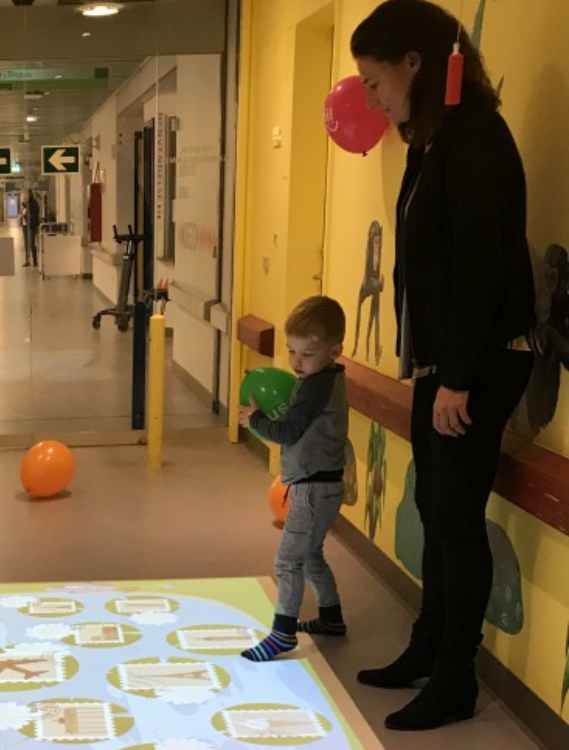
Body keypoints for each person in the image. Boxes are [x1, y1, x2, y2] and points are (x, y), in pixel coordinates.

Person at [352, 0, 534, 731]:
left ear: (413, 64)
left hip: (480, 363)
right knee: (435, 506)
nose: (370, 95)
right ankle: (428, 645)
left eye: (373, 79)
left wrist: (456, 376)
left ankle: (457, 673)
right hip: (444, 361)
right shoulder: (431, 141)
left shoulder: (477, 139)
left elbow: (481, 270)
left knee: (455, 519)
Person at [238, 296, 350, 663]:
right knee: (312, 555)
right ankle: (331, 618)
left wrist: (254, 420)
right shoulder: (326, 379)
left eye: (308, 354)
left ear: (335, 351)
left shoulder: (316, 386)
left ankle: (283, 633)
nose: (297, 363)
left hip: (313, 489)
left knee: (289, 560)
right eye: (292, 352)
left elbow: (289, 432)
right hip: (322, 483)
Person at [351, 220, 385, 364]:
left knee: (375, 317)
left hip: (375, 281)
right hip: (369, 281)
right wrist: (372, 282)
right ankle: (356, 346)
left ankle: (374, 349)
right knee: (361, 311)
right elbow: (368, 270)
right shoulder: (370, 251)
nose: (376, 239)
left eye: (378, 236)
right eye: (374, 236)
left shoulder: (380, 250)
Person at [21, 188, 40, 267]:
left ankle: (35, 261)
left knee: (32, 243)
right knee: (26, 244)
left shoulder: (34, 203)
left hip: (31, 226)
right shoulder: (25, 204)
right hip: (25, 225)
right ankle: (27, 260)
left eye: (26, 195)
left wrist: (25, 216)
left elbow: (33, 214)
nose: (25, 197)